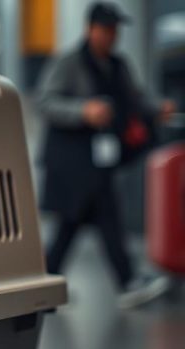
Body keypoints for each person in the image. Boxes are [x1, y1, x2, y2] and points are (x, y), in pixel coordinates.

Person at [37, 2, 176, 308]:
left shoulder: (117, 65)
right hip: (71, 161)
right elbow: (45, 102)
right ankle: (122, 282)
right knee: (86, 219)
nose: (112, 36)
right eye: (106, 29)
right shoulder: (70, 63)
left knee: (82, 222)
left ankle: (48, 283)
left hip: (97, 162)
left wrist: (156, 108)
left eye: (114, 30)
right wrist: (83, 111)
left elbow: (135, 98)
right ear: (91, 29)